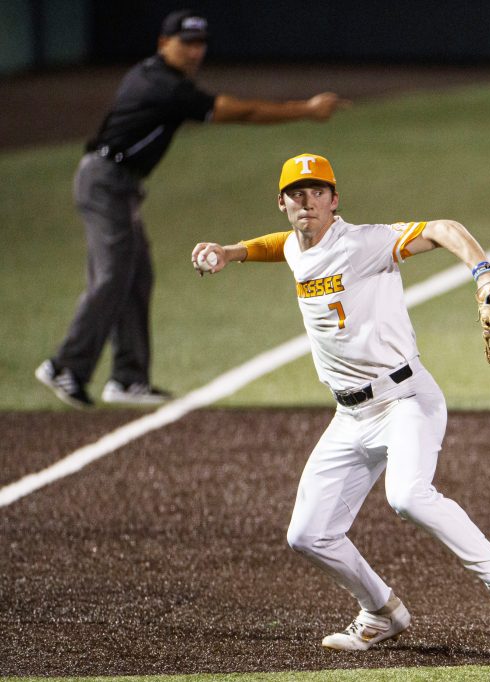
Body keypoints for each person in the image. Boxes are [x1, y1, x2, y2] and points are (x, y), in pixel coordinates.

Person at [189, 152, 490, 651]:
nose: (306, 201)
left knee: (407, 495)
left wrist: (483, 273)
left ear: (335, 200)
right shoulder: (297, 246)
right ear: (283, 203)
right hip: (350, 416)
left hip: (405, 399)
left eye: (317, 192)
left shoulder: (363, 243)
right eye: (297, 193)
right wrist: (231, 252)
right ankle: (381, 611)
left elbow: (445, 227)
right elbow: (280, 248)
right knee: (308, 535)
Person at [35, 9, 346, 408]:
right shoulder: (164, 86)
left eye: (200, 44)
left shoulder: (153, 76)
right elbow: (243, 112)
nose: (195, 52)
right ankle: (66, 366)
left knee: (135, 276)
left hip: (119, 184)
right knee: (113, 274)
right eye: (186, 43)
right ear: (164, 43)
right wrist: (306, 110)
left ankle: (128, 379)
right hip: (104, 183)